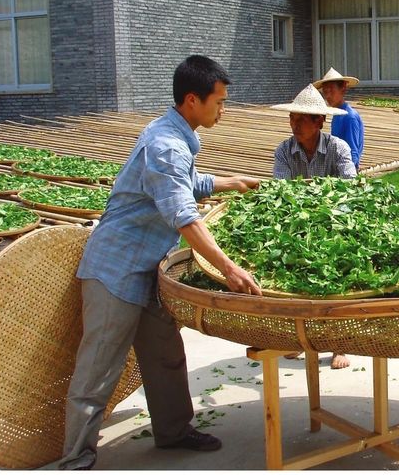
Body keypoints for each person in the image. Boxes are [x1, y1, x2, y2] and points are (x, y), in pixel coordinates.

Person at [61, 55, 262, 470]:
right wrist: (228, 268)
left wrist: (231, 182)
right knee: (98, 369)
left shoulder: (177, 134)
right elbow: (183, 215)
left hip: (149, 269)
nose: (223, 110)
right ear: (193, 100)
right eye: (219, 102)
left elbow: (184, 182)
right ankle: (76, 458)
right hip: (116, 269)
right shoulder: (166, 144)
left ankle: (174, 432)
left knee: (166, 355)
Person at [272, 84, 355, 369]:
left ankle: (338, 345)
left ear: (320, 121)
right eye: (292, 119)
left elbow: (350, 190)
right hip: (298, 228)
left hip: (335, 227)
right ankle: (300, 340)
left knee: (335, 285)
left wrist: (311, 199)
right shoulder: (284, 151)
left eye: (301, 120)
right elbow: (281, 192)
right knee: (298, 285)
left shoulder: (337, 148)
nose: (295, 125)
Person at [314, 67, 364, 171]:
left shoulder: (350, 117)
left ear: (343, 88)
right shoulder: (337, 114)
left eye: (331, 90)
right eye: (325, 91)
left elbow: (352, 152)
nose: (327, 95)